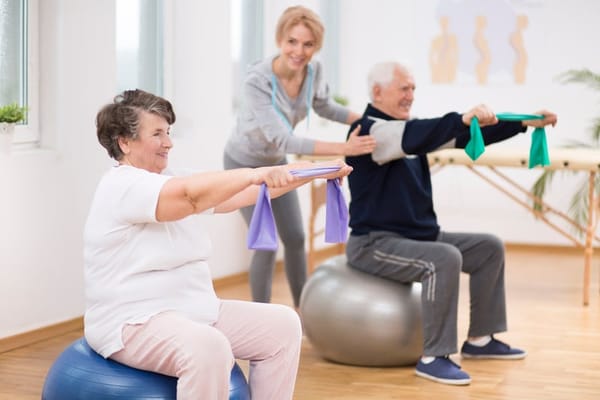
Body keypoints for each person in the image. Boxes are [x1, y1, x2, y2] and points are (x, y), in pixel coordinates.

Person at [84, 89, 353, 399]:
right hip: (132, 321)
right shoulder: (123, 185)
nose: (169, 142)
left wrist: (318, 170)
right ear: (125, 142)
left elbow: (247, 192)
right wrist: (256, 174)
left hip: (191, 310)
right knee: (209, 347)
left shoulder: (170, 178)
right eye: (157, 133)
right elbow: (191, 196)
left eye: (168, 132)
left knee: (283, 326)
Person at [344, 62, 557, 385]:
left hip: (420, 236)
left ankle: (481, 340)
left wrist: (523, 123)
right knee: (444, 258)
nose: (411, 96)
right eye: (404, 88)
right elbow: (422, 133)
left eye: (413, 88)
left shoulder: (409, 134)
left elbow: (460, 135)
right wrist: (459, 118)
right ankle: (433, 357)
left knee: (488, 247)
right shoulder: (369, 131)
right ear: (377, 92)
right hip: (374, 243)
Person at [223, 5, 376, 309]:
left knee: (295, 237)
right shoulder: (257, 82)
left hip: (277, 162)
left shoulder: (313, 71)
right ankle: (261, 317)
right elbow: (283, 138)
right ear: (280, 40)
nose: (299, 51)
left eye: (308, 44)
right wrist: (344, 149)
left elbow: (325, 106)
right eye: (292, 41)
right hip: (244, 164)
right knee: (266, 244)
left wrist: (371, 121)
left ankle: (303, 313)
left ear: (316, 46)